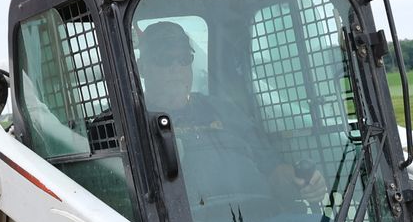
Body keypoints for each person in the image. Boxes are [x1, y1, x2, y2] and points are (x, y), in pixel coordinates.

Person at [135, 20, 320, 200]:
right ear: (142, 67)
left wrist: (302, 183)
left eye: (184, 59)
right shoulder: (128, 122)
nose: (176, 68)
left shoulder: (223, 111)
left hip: (259, 220)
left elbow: (272, 170)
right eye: (164, 59)